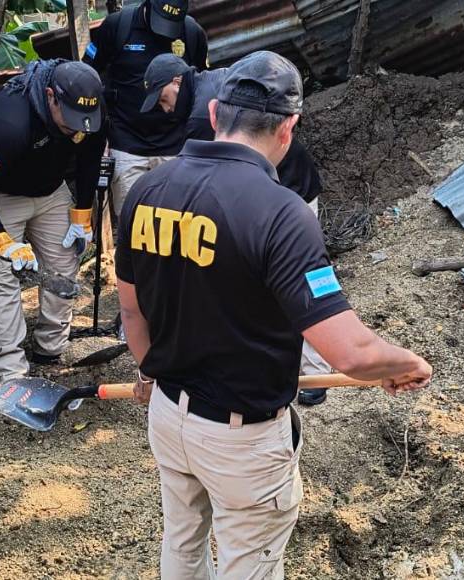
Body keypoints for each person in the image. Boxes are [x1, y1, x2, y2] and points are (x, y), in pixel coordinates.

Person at [115, 51, 433, 579]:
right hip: (242, 439)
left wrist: (152, 373)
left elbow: (131, 309)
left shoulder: (148, 190)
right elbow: (351, 353)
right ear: (289, 127)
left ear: (215, 114)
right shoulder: (281, 212)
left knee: (182, 542)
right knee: (248, 563)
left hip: (168, 415)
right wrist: (405, 362)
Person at [140, 52, 332, 406]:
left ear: (177, 82)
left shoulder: (204, 119)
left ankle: (312, 371)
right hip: (264, 193)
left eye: (163, 99)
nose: (163, 109)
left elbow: (206, 181)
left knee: (296, 283)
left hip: (287, 194)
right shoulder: (217, 86)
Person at [0, 59, 106, 380]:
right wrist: (0, 239)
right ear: (51, 96)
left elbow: (90, 159)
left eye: (85, 123)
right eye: (72, 124)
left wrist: (82, 213)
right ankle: (10, 368)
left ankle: (50, 346)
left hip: (48, 189)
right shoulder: (9, 121)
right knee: (2, 276)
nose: (80, 131)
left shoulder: (88, 112)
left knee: (65, 262)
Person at [82, 0, 208, 218]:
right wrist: (97, 130)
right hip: (127, 144)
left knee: (178, 223)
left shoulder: (191, 31)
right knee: (132, 223)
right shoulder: (117, 26)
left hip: (175, 146)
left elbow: (200, 83)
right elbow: (86, 74)